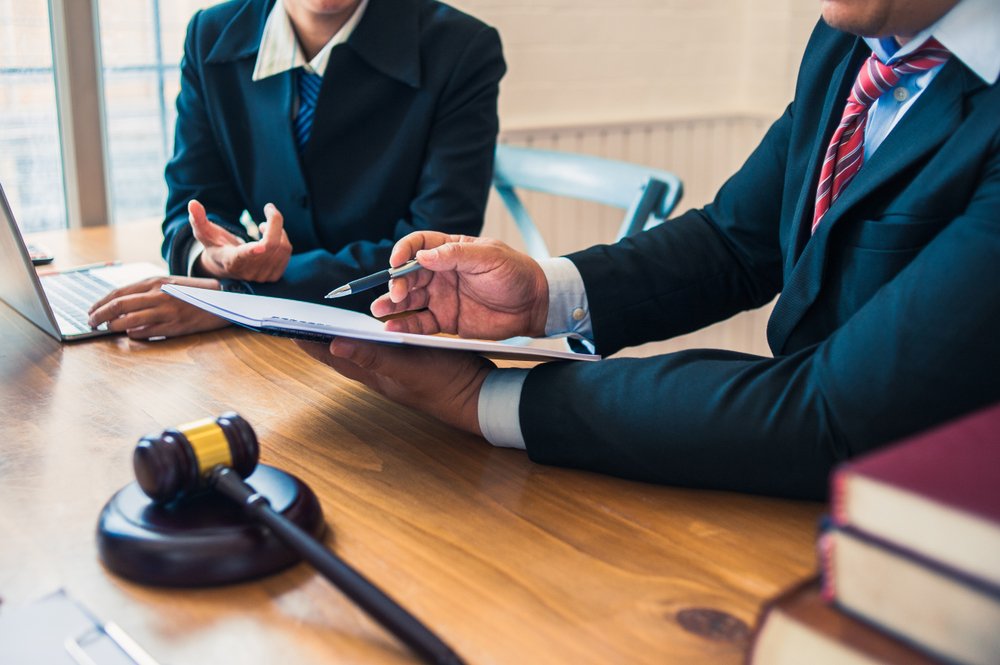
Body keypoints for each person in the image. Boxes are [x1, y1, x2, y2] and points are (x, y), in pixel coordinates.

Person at [299, 0, 1000, 500]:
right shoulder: (853, 38)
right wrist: (544, 294)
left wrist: (484, 397)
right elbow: (735, 239)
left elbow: (833, 412)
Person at [87, 0, 505, 340]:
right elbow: (192, 203)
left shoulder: (462, 48)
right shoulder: (209, 34)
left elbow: (436, 251)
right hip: (250, 348)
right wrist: (218, 259)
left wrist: (240, 297)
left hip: (393, 338)